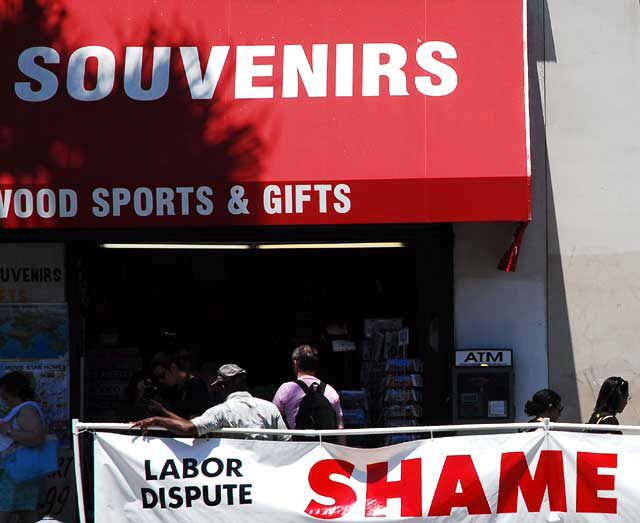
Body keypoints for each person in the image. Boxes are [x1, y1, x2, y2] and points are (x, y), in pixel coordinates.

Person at [132, 363, 290, 441]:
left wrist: (158, 419)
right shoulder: (270, 408)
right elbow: (287, 443)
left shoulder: (221, 411)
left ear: (221, 386)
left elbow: (188, 428)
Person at [0, 372, 47, 523]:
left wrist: (8, 431)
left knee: (4, 509)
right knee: (26, 510)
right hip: (23, 470)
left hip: (16, 471)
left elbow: (36, 437)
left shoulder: (26, 410)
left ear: (11, 391)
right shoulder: (22, 409)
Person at [273, 345, 343, 431]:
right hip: (324, 443)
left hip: (298, 443)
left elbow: (274, 421)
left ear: (295, 364)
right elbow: (340, 428)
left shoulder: (286, 389)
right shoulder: (331, 391)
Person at [139, 350, 210, 420]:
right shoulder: (171, 388)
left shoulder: (196, 386)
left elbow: (194, 425)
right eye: (158, 377)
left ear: (173, 368)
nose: (161, 380)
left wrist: (163, 411)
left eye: (162, 375)